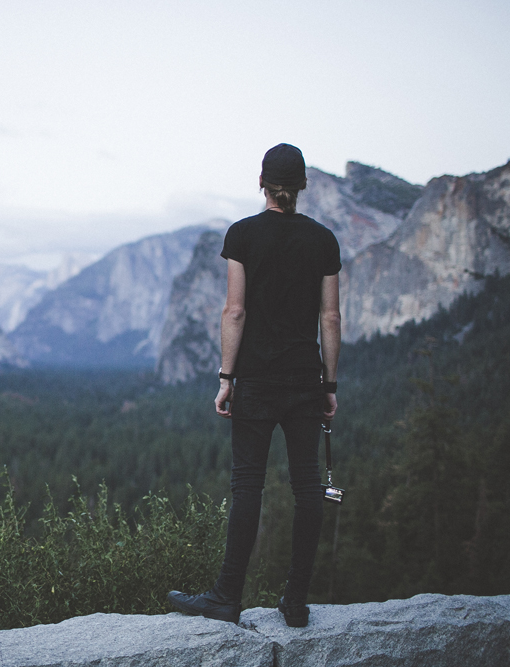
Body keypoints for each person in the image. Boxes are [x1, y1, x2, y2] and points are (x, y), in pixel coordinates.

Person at [168, 143, 341, 628]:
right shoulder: (323, 240)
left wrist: (226, 377)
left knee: (248, 486)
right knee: (308, 488)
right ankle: (296, 601)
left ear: (261, 184)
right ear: (302, 186)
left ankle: (226, 596)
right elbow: (330, 317)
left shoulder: (242, 235)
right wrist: (330, 383)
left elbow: (234, 310)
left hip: (257, 382)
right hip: (306, 380)